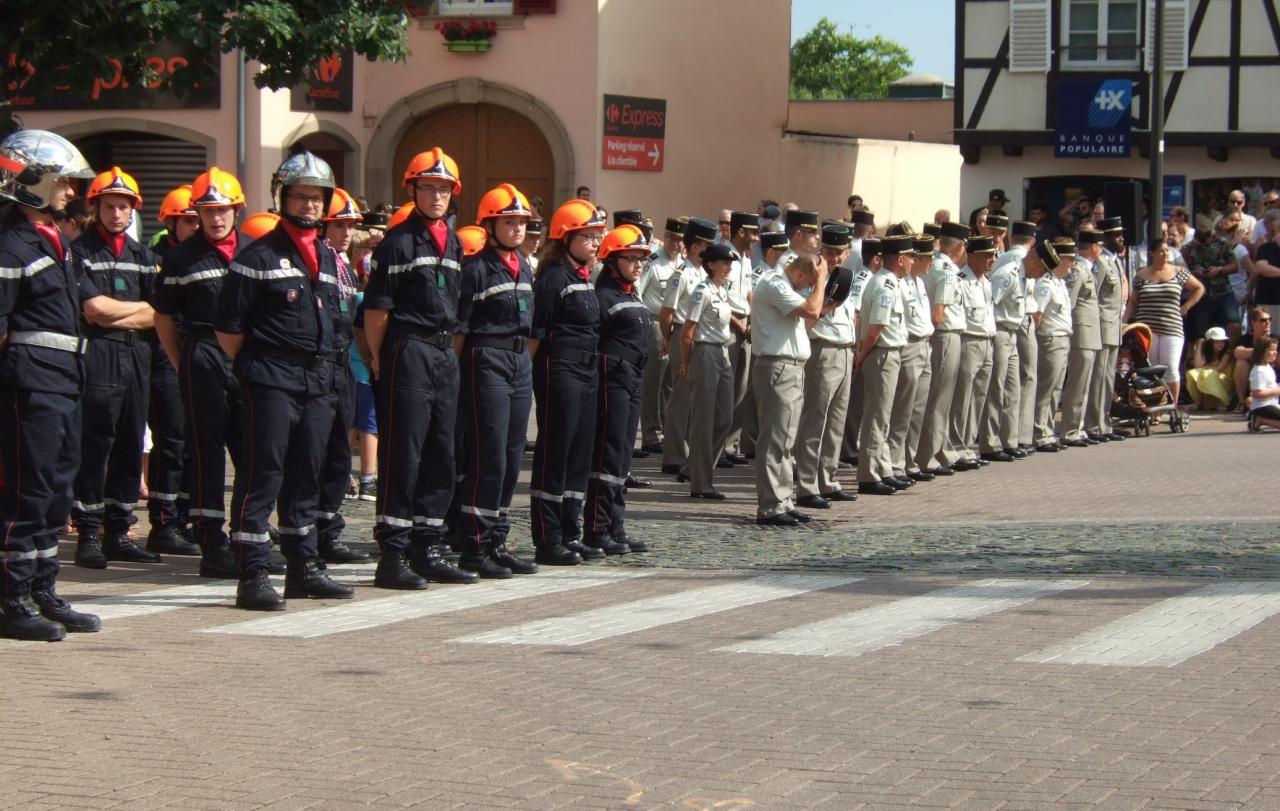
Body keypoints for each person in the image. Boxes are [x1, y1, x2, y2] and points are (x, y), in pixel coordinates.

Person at [215, 152, 353, 611]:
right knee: (262, 474)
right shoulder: (256, 256)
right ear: (282, 198)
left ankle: (303, 569)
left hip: (319, 381)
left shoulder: (332, 259)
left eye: (317, 198)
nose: (310, 205)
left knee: (306, 476)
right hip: (271, 378)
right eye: (301, 196)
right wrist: (263, 367)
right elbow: (229, 330)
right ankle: (252, 573)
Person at [0, 130, 118, 640]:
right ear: (33, 183)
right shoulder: (10, 243)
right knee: (28, 490)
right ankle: (12, 596)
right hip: (29, 383)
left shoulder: (56, 242)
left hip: (65, 380)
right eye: (62, 183)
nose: (71, 193)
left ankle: (43, 588)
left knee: (56, 491)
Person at [363, 147, 466, 590]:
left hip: (443, 353)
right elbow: (377, 311)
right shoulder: (397, 242)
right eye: (429, 187)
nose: (436, 195)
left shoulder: (455, 240)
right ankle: (393, 551)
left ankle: (429, 543)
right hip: (408, 350)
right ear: (414, 190)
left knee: (441, 452)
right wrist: (380, 358)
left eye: (444, 188)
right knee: (403, 454)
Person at [65, 167, 168, 569]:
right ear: (96, 208)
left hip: (136, 357)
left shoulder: (144, 258)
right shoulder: (80, 252)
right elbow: (91, 309)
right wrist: (132, 312)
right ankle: (89, 531)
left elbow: (159, 313)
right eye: (109, 206)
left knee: (130, 439)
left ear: (133, 211)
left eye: (123, 206)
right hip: (98, 355)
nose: (116, 213)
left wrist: (115, 315)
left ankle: (119, 530)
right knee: (96, 442)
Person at [153, 167, 250, 580]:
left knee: (252, 451)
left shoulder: (252, 250)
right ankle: (212, 542)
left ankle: (249, 537)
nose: (215, 218)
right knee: (206, 454)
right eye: (207, 210)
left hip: (246, 359)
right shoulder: (180, 257)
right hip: (202, 354)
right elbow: (163, 318)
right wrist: (183, 363)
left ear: (237, 209)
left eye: (223, 209)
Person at [450, 183, 541, 578]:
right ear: (490, 224)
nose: (518, 228)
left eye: (522, 222)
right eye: (510, 221)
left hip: (519, 360)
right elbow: (459, 332)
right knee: (488, 455)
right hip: (485, 357)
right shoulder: (475, 270)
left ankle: (498, 538)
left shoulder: (523, 266)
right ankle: (474, 544)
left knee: (511, 455)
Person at [528, 198, 608, 566]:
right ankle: (548, 538)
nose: (595, 242)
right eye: (588, 236)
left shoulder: (583, 277)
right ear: (566, 238)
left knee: (579, 455)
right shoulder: (552, 279)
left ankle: (570, 532)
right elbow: (537, 333)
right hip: (559, 371)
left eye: (597, 235)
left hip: (587, 373)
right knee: (555, 454)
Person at [312, 188, 373, 566]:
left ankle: (328, 529)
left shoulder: (345, 266)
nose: (347, 232)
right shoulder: (314, 261)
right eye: (339, 224)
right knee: (312, 453)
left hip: (342, 368)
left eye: (350, 225)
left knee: (338, 454)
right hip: (317, 366)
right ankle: (305, 533)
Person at [584, 224, 653, 554]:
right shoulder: (604, 296)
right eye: (632, 258)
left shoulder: (629, 292)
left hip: (633, 376)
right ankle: (597, 528)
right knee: (608, 454)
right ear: (612, 261)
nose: (639, 264)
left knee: (623, 454)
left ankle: (616, 525)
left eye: (643, 259)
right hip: (613, 376)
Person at [751, 253, 828, 526]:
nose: (808, 288)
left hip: (791, 367)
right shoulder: (775, 283)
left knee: (786, 439)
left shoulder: (787, 287)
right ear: (803, 273)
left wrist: (825, 301)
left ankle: (783, 500)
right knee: (774, 438)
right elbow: (811, 311)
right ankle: (771, 506)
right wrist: (820, 284)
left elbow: (807, 320)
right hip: (777, 367)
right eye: (809, 282)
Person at [144, 185, 200, 554]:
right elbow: (155, 313)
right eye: (189, 221)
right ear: (171, 223)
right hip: (166, 356)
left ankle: (186, 515)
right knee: (172, 440)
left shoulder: (202, 259)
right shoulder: (157, 261)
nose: (196, 227)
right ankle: (163, 521)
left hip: (195, 357)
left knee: (195, 444)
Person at [795, 223, 856, 507]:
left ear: (848, 252)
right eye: (829, 252)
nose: (834, 258)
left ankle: (828, 479)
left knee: (836, 421)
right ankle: (807, 484)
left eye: (840, 252)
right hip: (822, 347)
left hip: (843, 347)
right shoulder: (813, 275)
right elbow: (809, 315)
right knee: (815, 419)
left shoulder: (846, 276)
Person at [680, 242, 739, 499]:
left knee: (724, 418)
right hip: (704, 352)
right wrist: (686, 362)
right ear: (711, 264)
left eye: (730, 263)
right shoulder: (702, 291)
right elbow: (687, 332)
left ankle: (694, 466)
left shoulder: (721, 290)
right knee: (703, 420)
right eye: (724, 263)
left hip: (722, 351)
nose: (728, 267)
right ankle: (701, 483)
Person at [659, 217, 717, 474]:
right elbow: (667, 313)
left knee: (694, 400)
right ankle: (673, 455)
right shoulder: (680, 275)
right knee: (680, 399)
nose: (711, 249)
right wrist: (668, 339)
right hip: (682, 333)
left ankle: (687, 449)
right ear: (695, 247)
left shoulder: (705, 274)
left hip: (700, 338)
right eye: (707, 244)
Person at [856, 234, 913, 494]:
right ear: (900, 259)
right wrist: (861, 356)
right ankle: (869, 474)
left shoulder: (892, 282)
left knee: (884, 416)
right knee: (876, 417)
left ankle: (882, 468)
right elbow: (874, 329)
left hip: (889, 353)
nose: (913, 261)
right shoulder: (884, 285)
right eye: (910, 256)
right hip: (881, 354)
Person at [1125, 238, 1205, 411]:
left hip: (1172, 327)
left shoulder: (1179, 272)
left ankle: (1172, 406)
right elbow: (1133, 302)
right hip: (1148, 328)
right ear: (1152, 253)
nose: (1165, 254)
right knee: (1151, 368)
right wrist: (1125, 321)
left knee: (1171, 368)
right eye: (1161, 251)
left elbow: (1199, 288)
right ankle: (1155, 405)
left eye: (1167, 250)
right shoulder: (1142, 274)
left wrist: (1185, 306)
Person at [917, 221, 969, 475]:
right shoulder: (947, 271)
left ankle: (937, 449)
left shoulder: (933, 265)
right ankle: (929, 455)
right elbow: (938, 314)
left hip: (938, 335)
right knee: (939, 398)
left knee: (938, 398)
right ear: (960, 246)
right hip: (944, 334)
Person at [635, 217, 685, 453]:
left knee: (670, 383)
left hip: (677, 326)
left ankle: (667, 428)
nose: (675, 243)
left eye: (679, 239)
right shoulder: (653, 263)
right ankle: (650, 433)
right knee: (653, 380)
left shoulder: (683, 264)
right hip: (655, 323)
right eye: (671, 238)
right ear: (664, 237)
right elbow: (638, 292)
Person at [950, 235, 997, 468]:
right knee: (963, 397)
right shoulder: (961, 281)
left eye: (994, 254)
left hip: (988, 341)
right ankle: (956, 447)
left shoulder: (987, 283)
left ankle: (968, 446)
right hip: (970, 341)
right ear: (974, 256)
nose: (992, 259)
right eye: (988, 255)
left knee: (978, 397)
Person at [892, 235, 936, 482]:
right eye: (928, 258)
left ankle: (909, 461)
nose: (931, 263)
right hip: (909, 347)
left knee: (918, 410)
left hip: (924, 345)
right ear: (915, 258)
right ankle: (895, 464)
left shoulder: (919, 282)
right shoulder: (899, 283)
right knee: (902, 410)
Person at [980, 227, 1027, 461]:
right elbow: (990, 303)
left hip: (1013, 333)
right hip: (1000, 331)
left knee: (1012, 389)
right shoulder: (1008, 274)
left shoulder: (1022, 273)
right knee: (996, 388)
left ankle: (1009, 440)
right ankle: (989, 442)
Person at [1058, 227, 1105, 447]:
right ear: (1095, 248)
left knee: (1084, 382)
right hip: (1082, 331)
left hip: (1090, 332)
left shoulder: (1088, 269)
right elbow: (1069, 301)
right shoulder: (1078, 269)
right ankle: (1070, 429)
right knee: (1077, 382)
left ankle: (1077, 428)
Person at [1086, 220, 1130, 442]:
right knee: (1098, 376)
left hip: (1114, 326)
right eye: (1116, 235)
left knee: (1107, 378)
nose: (1121, 239)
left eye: (1122, 235)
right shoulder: (1100, 262)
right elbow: (1092, 295)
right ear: (1105, 238)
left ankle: (1104, 422)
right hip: (1102, 325)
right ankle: (1093, 424)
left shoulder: (1115, 261)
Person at [723, 211, 759, 463]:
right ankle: (718, 447)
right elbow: (722, 298)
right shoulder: (725, 256)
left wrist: (753, 320)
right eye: (753, 233)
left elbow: (747, 293)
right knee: (724, 389)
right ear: (741, 232)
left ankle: (729, 444)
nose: (756, 238)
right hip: (728, 323)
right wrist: (739, 324)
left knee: (740, 388)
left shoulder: (745, 259)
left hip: (744, 323)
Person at [1032, 240, 1072, 451]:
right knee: (1046, 388)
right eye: (1069, 260)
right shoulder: (1045, 284)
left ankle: (1047, 431)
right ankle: (1038, 433)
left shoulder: (1059, 283)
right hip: (1050, 339)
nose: (1072, 265)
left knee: (1056, 389)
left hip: (1062, 339)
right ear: (1059, 259)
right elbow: (1037, 316)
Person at [1182, 221, 1238, 341]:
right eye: (1199, 243)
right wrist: (1195, 273)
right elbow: (1181, 274)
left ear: (1210, 236)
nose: (1202, 245)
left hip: (1223, 292)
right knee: (1203, 332)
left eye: (1205, 242)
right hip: (1201, 296)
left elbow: (1235, 266)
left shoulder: (1223, 244)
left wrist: (1220, 269)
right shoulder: (1187, 249)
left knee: (1233, 324)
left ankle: (1231, 353)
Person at [1232, 307, 1275, 408]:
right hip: (1249, 380)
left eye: (1269, 319)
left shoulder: (1274, 339)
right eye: (1263, 320)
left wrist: (1251, 353)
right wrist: (1263, 352)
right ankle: (1241, 403)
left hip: (1269, 383)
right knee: (1240, 363)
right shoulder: (1245, 339)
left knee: (1251, 402)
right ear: (1253, 323)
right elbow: (1237, 353)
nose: (1268, 322)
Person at [1186, 326, 1235, 411]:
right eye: (1217, 341)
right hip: (1209, 384)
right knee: (1194, 373)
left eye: (1222, 341)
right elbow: (1197, 366)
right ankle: (1200, 403)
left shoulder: (1227, 354)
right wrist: (1200, 344)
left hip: (1224, 382)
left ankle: (1222, 402)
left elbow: (1217, 370)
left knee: (1206, 374)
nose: (1221, 344)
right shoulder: (1206, 355)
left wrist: (1204, 368)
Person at [1247, 337, 1280, 431]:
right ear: (1262, 352)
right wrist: (1276, 391)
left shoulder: (1268, 367)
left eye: (1276, 350)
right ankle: (1259, 419)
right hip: (1262, 406)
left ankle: (1260, 421)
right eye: (1272, 350)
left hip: (1272, 403)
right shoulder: (1259, 370)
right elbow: (1256, 394)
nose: (1275, 352)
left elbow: (1270, 386)